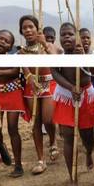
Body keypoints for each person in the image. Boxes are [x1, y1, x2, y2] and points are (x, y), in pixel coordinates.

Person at [51, 22, 94, 186]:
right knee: (68, 137)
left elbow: (93, 72)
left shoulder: (86, 54)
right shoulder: (58, 56)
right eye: (63, 35)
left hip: (86, 96)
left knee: (88, 136)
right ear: (60, 39)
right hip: (66, 97)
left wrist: (84, 56)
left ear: (76, 37)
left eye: (70, 34)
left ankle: (89, 153)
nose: (66, 37)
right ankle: (72, 178)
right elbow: (54, 72)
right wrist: (71, 87)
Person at [18, 15, 58, 175]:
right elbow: (25, 69)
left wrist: (43, 44)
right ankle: (41, 159)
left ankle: (53, 141)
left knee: (48, 119)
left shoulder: (46, 45)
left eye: (31, 27)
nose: (28, 30)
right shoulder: (21, 52)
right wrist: (29, 79)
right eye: (24, 28)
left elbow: (56, 61)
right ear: (21, 31)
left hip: (48, 83)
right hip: (31, 87)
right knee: (36, 122)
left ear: (37, 28)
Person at [0, 30, 26, 177]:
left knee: (13, 129)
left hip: (12, 93)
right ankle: (1, 147)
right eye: (0, 38)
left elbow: (15, 71)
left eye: (6, 41)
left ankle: (18, 165)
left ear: (10, 46)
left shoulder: (12, 57)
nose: (2, 42)